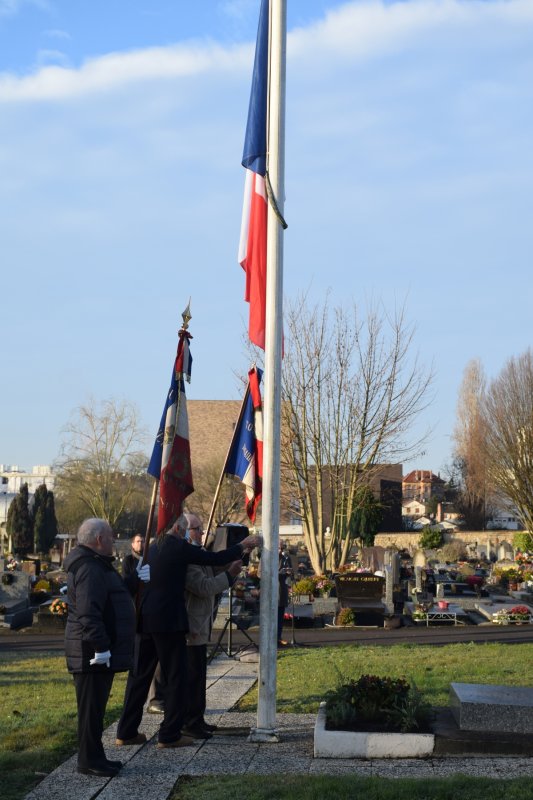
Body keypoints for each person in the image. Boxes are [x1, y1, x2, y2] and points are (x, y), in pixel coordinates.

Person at [115, 514, 262, 749]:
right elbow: (216, 558)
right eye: (188, 529)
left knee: (139, 678)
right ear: (177, 528)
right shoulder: (178, 546)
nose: (190, 534)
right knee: (176, 678)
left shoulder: (153, 547)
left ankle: (126, 731)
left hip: (146, 619)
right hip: (169, 621)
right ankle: (170, 734)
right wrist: (242, 546)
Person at [64, 518, 149, 777]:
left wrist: (135, 579)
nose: (114, 540)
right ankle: (88, 761)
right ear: (99, 539)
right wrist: (100, 646)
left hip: (97, 651)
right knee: (90, 710)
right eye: (111, 537)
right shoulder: (89, 568)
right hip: (91, 653)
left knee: (96, 709)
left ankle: (96, 756)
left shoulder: (97, 564)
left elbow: (114, 594)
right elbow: (89, 612)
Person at [182, 512, 242, 738]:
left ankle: (198, 719)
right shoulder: (188, 559)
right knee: (192, 677)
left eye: (201, 528)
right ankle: (190, 722)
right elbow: (203, 586)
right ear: (186, 532)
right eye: (196, 529)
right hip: (192, 625)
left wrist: (231, 565)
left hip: (202, 623)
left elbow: (212, 571)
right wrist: (228, 575)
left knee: (199, 677)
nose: (201, 533)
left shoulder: (199, 554)